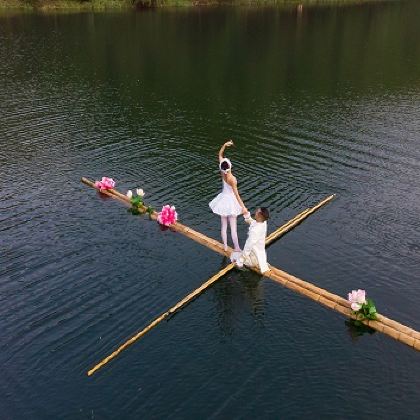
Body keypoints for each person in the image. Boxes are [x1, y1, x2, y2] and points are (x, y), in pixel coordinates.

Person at [209, 140, 247, 251]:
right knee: (233, 228)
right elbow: (237, 195)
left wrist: (224, 145)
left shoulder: (222, 171)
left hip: (222, 200)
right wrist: (243, 207)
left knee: (224, 226)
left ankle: (225, 246)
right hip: (230, 202)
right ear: (230, 167)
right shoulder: (232, 179)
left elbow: (220, 154)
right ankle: (237, 248)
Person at [231, 207, 270, 274]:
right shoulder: (263, 223)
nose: (255, 212)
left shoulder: (255, 231)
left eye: (257, 212)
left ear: (260, 215)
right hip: (260, 253)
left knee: (233, 255)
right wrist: (247, 216)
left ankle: (245, 267)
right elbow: (254, 223)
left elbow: (248, 246)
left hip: (253, 256)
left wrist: (241, 259)